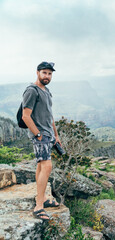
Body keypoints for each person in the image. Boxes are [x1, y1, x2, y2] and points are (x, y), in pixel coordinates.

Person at [22, 61, 61, 221]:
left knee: (41, 165)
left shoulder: (46, 91)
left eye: (50, 73)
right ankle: (39, 206)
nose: (47, 76)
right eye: (44, 73)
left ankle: (43, 196)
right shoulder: (32, 91)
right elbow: (26, 116)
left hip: (48, 134)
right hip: (40, 136)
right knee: (47, 165)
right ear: (37, 72)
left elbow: (49, 115)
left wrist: (56, 135)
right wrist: (38, 135)